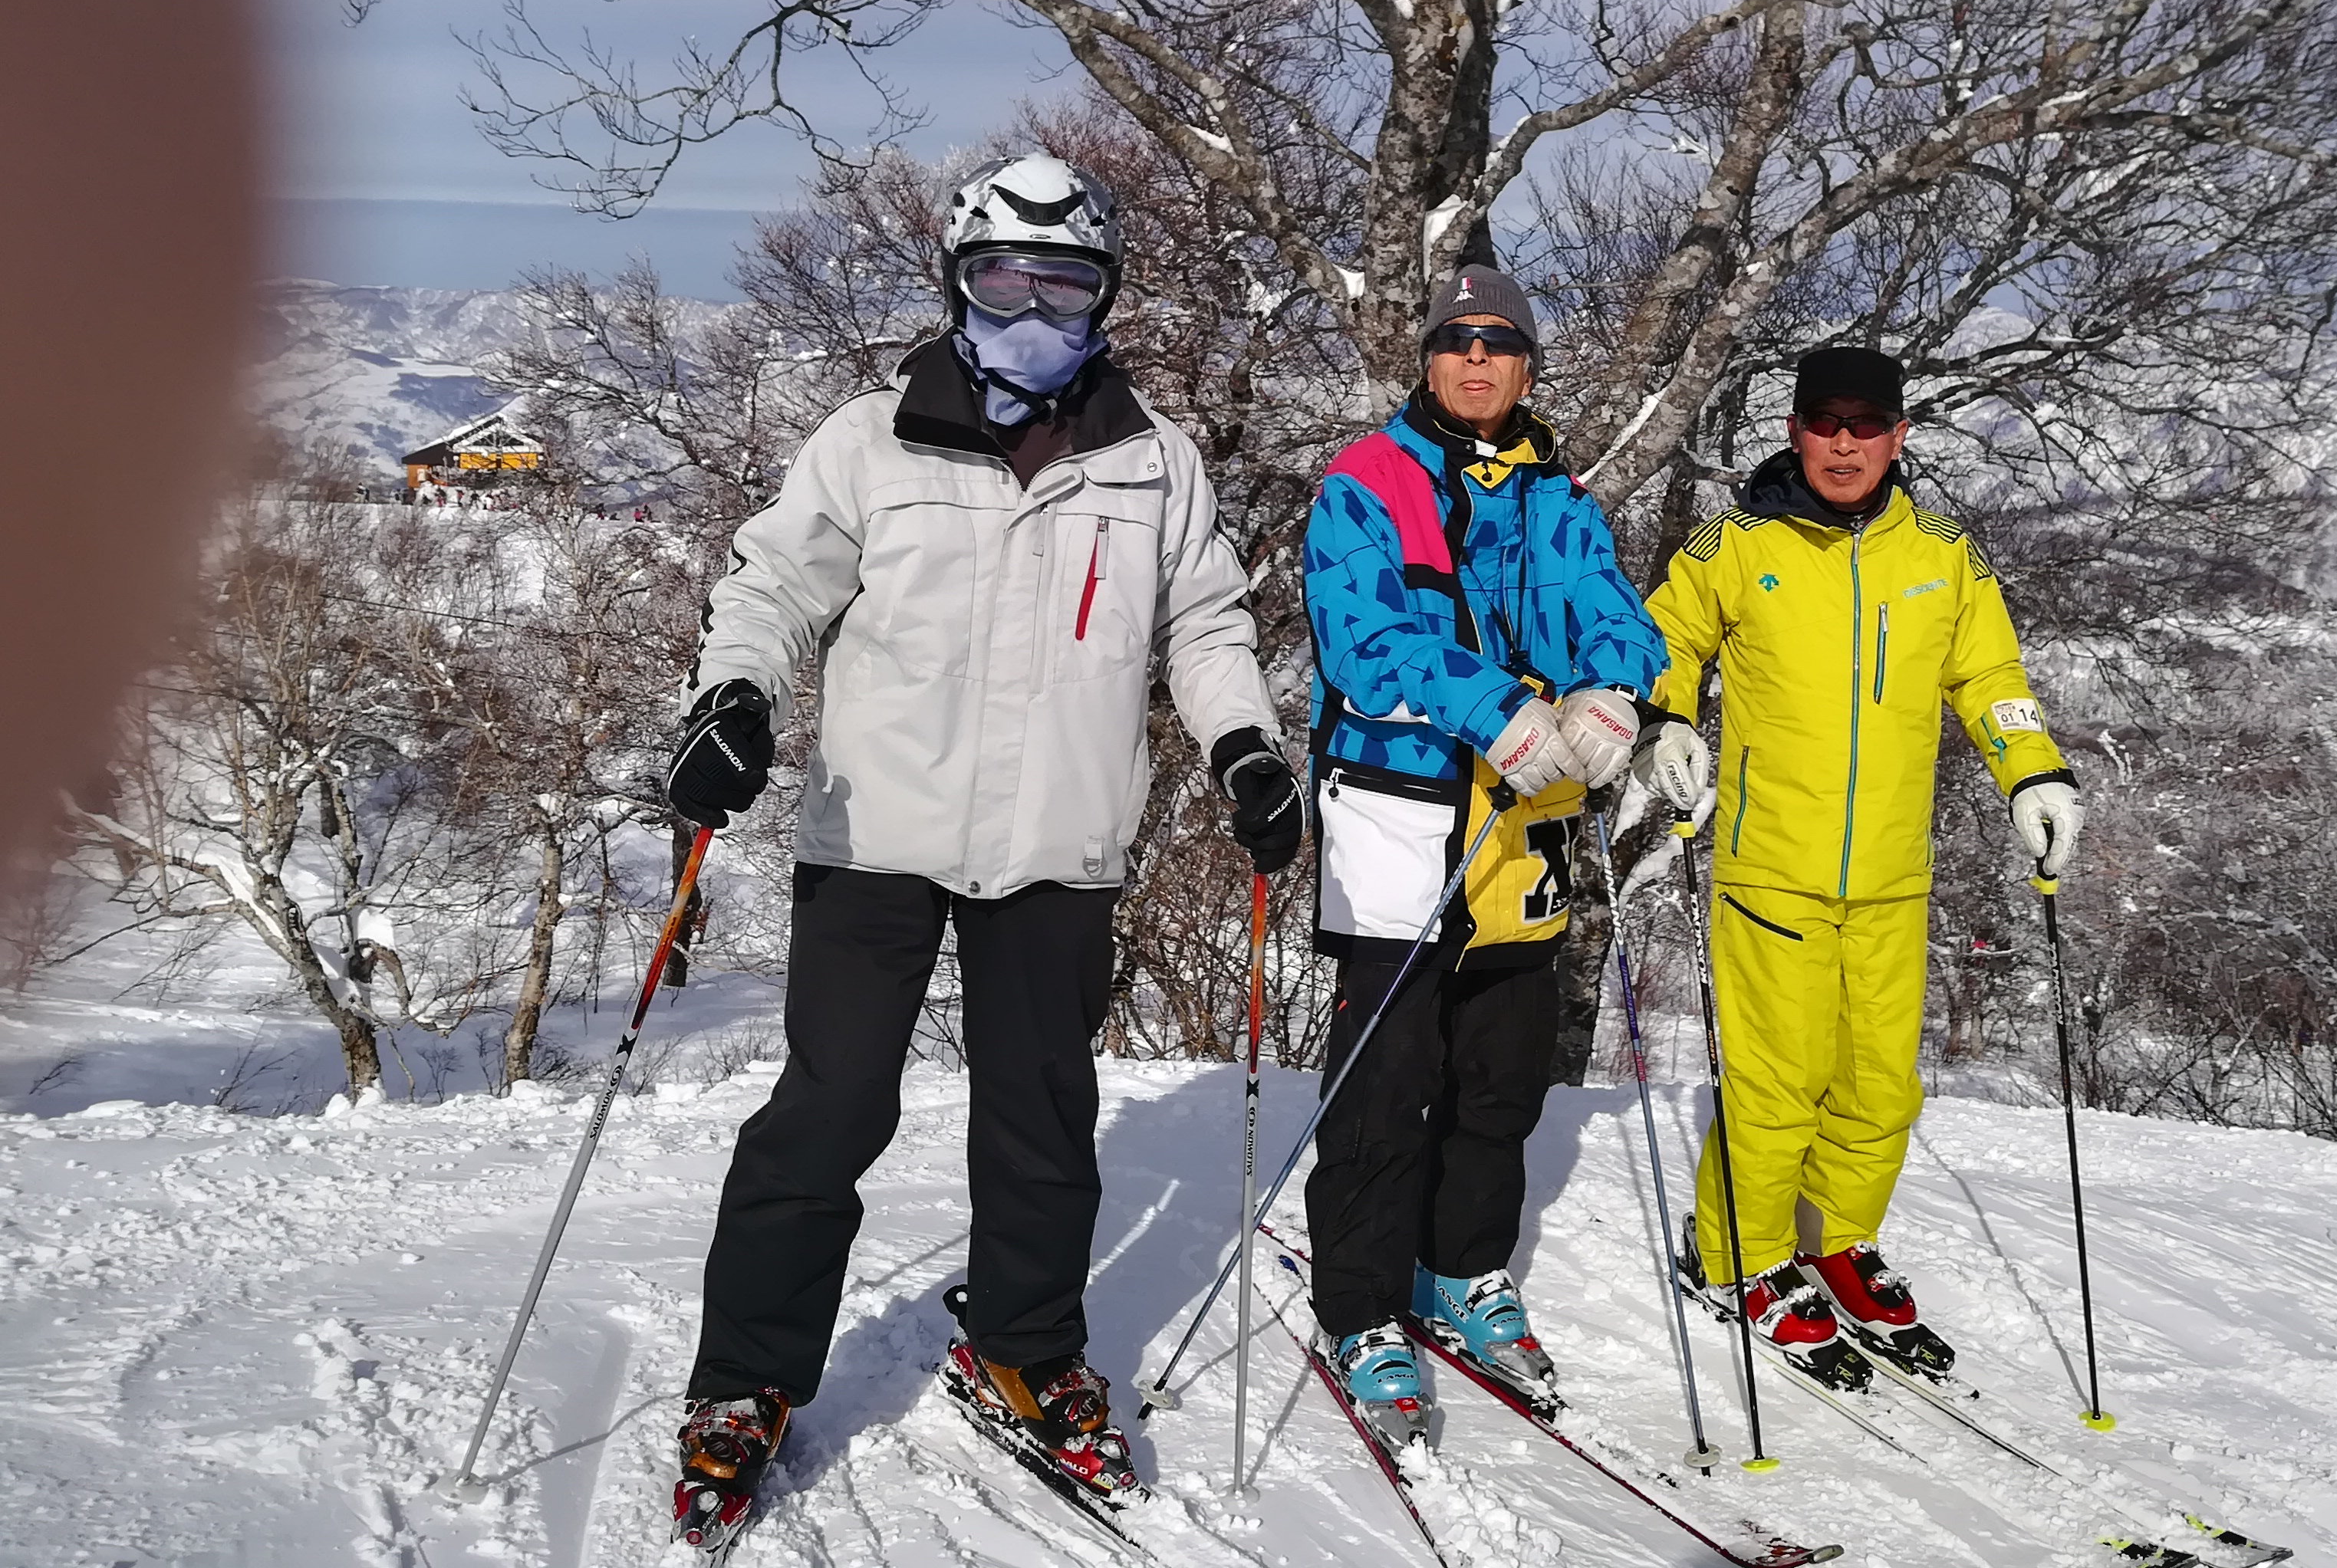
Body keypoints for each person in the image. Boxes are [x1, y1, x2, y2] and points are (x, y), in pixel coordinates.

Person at [657, 154, 1305, 1549]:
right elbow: (772, 585)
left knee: (1043, 1120)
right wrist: (732, 697)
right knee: (828, 1110)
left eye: (1064, 283)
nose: (1032, 309)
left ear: (1103, 297)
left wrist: (1245, 744)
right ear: (957, 281)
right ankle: (745, 1380)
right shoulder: (871, 440)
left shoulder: (1153, 460)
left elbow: (1205, 627)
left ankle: (1023, 1346)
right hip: (879, 830)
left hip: (1058, 839)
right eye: (1002, 277)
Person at [1638, 345, 2080, 1387]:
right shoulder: (1736, 546)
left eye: (1866, 425)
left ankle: (1833, 1238)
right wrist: (1665, 720)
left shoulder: (1942, 554)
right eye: (1825, 423)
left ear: (1898, 436)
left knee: (1879, 1088)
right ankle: (1736, 1255)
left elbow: (1990, 674)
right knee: (1777, 1084)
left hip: (1890, 871)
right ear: (1795, 430)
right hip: (1772, 865)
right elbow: (1666, 639)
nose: (1845, 444)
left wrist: (2032, 770)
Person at [1295, 263, 1667, 1441]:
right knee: (1384, 1082)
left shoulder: (1559, 497)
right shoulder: (1367, 481)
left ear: (1525, 367)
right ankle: (1361, 1305)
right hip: (1399, 819)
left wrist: (1613, 690)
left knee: (1499, 1079)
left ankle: (1459, 1267)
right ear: (1428, 358)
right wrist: (1492, 703)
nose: (1475, 359)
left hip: (1524, 826)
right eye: (1456, 340)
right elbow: (1360, 636)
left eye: (1498, 343)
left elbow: (1614, 612)